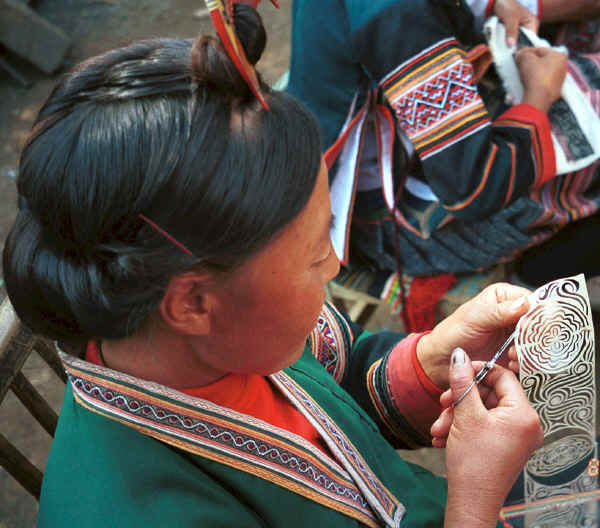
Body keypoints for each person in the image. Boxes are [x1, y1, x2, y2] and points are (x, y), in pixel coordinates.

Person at [3, 5, 542, 526]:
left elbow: (341, 378)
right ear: (191, 302)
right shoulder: (132, 512)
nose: (334, 265)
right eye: (313, 255)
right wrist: (473, 502)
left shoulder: (241, 331)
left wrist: (433, 358)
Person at [287, 0, 600, 286]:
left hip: (413, 154)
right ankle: (541, 274)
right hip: (384, 225)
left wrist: (491, 5)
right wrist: (538, 98)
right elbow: (474, 189)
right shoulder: (398, 16)